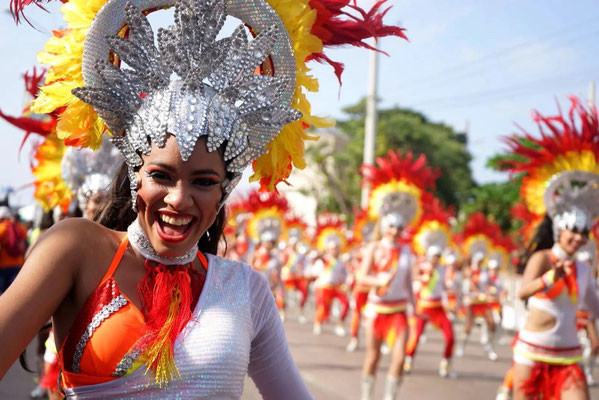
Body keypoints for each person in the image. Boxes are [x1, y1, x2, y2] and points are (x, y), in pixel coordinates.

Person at [0, 0, 406, 397]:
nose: (178, 199)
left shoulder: (245, 290)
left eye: (204, 181)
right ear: (135, 177)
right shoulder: (76, 249)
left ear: (223, 191)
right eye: (161, 175)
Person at [499, 97, 599, 400]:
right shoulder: (543, 258)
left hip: (568, 356)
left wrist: (594, 336)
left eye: (584, 232)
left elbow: (594, 306)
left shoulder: (584, 268)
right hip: (532, 351)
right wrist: (549, 279)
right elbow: (524, 291)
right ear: (560, 229)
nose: (578, 238)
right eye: (573, 230)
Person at [358, 150, 439, 400]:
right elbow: (361, 279)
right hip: (377, 310)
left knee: (400, 357)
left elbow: (409, 281)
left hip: (399, 312)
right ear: (384, 225)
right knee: (373, 357)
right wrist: (378, 280)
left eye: (398, 226)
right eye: (390, 225)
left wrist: (415, 307)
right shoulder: (373, 248)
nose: (394, 230)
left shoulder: (407, 252)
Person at [405, 245, 455, 378]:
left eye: (438, 257)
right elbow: (413, 277)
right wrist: (424, 274)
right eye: (434, 257)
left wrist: (448, 303)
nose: (436, 259)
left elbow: (444, 288)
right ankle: (408, 360)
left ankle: (446, 364)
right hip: (424, 307)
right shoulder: (422, 267)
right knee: (415, 336)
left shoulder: (443, 269)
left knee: (450, 336)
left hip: (439, 307)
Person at [0, 207, 27, 295]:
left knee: (3, 293)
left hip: (3, 265)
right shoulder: (20, 227)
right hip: (18, 263)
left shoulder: (1, 228)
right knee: (14, 292)